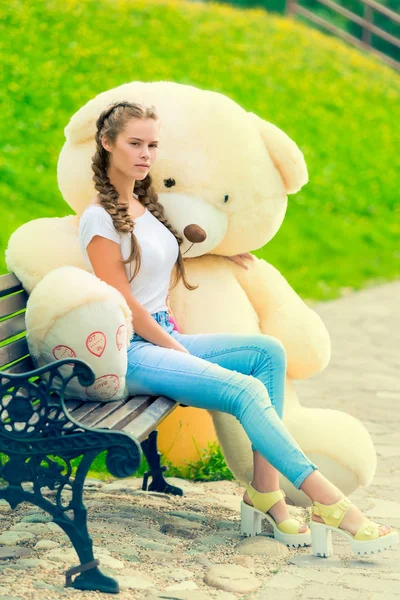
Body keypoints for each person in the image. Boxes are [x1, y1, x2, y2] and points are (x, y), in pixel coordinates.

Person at [78, 100, 397, 557]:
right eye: (135, 143)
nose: (146, 153)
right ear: (107, 144)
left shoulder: (144, 206)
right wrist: (173, 347)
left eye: (152, 144)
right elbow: (122, 300)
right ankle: (332, 504)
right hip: (131, 351)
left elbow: (163, 257)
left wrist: (223, 254)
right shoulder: (99, 218)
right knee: (245, 390)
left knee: (267, 353)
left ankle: (264, 492)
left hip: (165, 337)